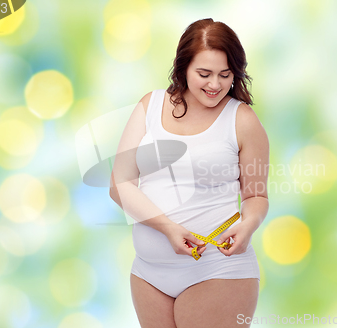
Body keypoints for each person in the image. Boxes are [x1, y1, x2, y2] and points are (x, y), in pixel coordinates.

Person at [109, 18, 269, 328]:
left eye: (225, 75)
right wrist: (168, 228)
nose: (215, 85)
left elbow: (255, 195)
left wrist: (249, 224)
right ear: (182, 67)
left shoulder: (242, 120)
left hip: (216, 270)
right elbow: (120, 183)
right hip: (148, 273)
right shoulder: (150, 105)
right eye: (204, 74)